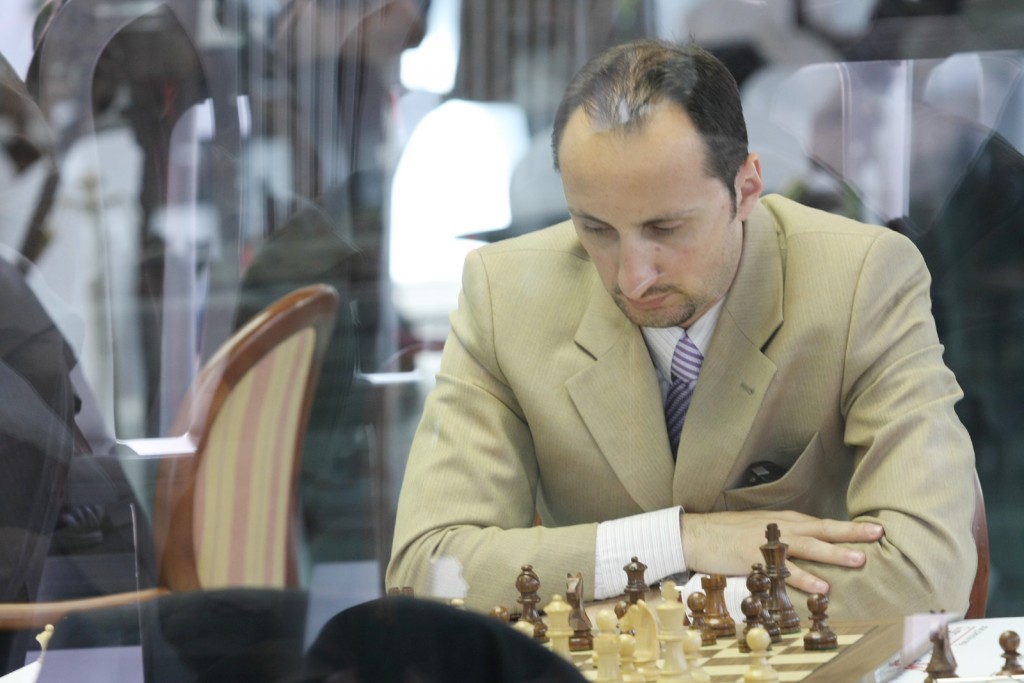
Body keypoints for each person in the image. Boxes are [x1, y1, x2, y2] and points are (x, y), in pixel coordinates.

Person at [385, 39, 977, 619]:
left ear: (746, 189)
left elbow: (925, 571)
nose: (632, 277)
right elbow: (425, 572)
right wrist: (680, 541)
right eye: (596, 229)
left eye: (665, 229)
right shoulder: (504, 295)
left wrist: (674, 606)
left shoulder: (859, 279)